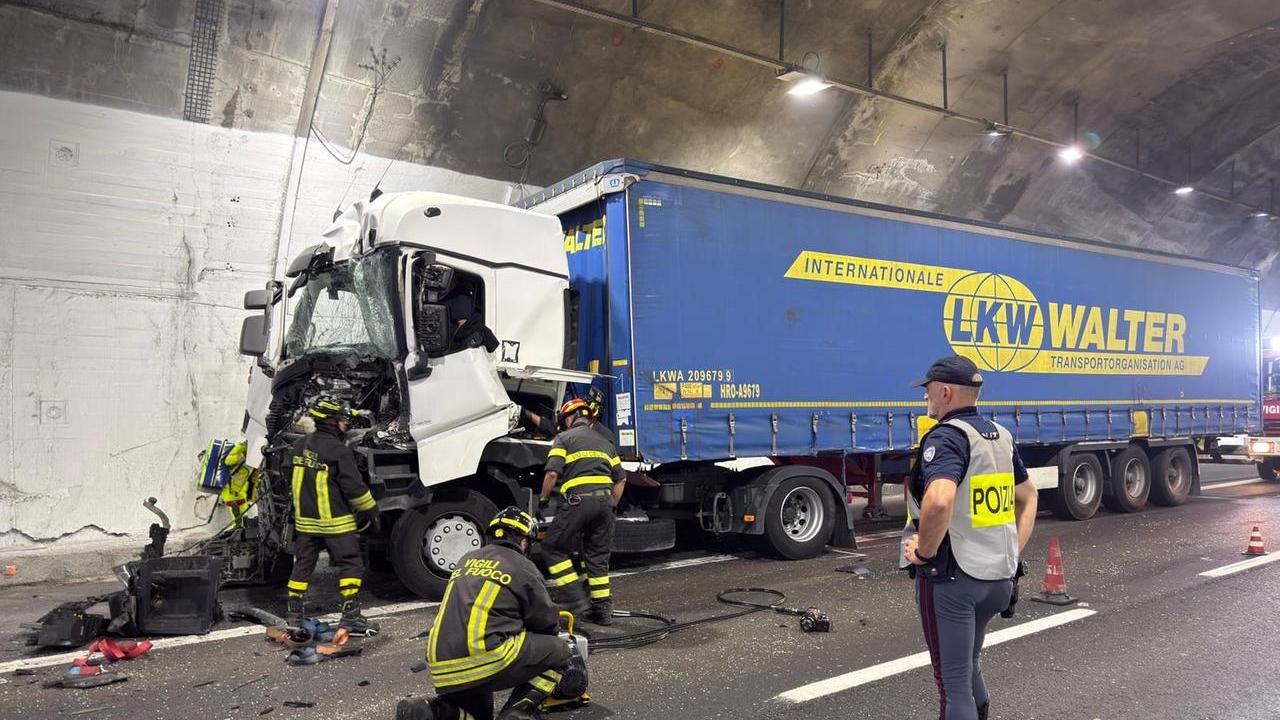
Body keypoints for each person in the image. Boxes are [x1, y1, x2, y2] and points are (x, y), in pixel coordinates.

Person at [901, 355, 1038, 720]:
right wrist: (1011, 550)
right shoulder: (999, 436)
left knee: (952, 686)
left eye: (927, 390)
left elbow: (939, 500)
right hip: (997, 580)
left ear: (945, 393)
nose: (925, 398)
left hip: (953, 581)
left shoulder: (947, 438)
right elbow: (1029, 496)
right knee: (969, 665)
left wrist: (925, 552)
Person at [397, 507, 586, 720]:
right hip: (483, 657)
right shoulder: (523, 566)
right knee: (562, 650)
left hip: (441, 665)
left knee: (477, 716)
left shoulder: (466, 560)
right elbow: (546, 623)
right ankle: (516, 713)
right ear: (523, 542)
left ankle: (428, 711)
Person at [285, 396, 381, 635]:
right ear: (329, 421)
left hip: (305, 524)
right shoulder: (339, 451)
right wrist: (372, 510)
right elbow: (354, 488)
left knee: (303, 566)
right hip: (336, 523)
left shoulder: (300, 446)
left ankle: (294, 615)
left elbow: (288, 475)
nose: (345, 423)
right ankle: (350, 617)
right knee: (351, 564)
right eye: (341, 419)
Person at [539, 398, 626, 625]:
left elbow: (551, 475)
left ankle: (575, 599)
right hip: (605, 504)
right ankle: (603, 611)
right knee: (597, 557)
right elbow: (621, 479)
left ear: (569, 418)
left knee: (552, 547)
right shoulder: (606, 443)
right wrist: (611, 504)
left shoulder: (564, 438)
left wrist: (543, 498)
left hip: (578, 502)